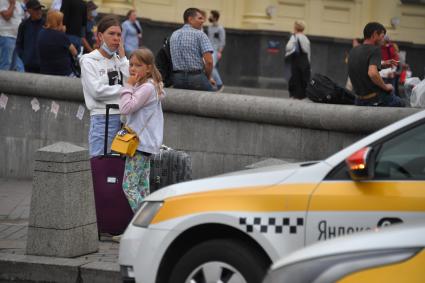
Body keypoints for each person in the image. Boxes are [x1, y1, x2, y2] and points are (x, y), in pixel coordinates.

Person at [119, 47, 165, 214]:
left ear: (148, 68)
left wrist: (128, 86)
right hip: (146, 144)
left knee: (129, 186)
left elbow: (126, 107)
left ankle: (146, 220)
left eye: (138, 65)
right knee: (142, 187)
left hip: (140, 144)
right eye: (131, 64)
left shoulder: (146, 88)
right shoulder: (150, 85)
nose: (132, 68)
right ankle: (148, 226)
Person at [80, 15, 129, 157]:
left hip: (123, 120)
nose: (116, 38)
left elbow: (131, 84)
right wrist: (123, 90)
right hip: (102, 118)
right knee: (100, 165)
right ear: (100, 36)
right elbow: (96, 91)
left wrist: (124, 59)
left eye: (119, 34)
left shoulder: (120, 61)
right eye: (111, 34)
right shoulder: (89, 61)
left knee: (119, 168)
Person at [348, 22, 404, 107]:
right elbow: (372, 73)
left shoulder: (353, 51)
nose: (383, 40)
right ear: (374, 34)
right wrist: (385, 86)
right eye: (382, 36)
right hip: (375, 99)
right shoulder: (375, 50)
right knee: (402, 104)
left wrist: (382, 65)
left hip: (359, 99)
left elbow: (362, 67)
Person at [170, 7, 215, 91]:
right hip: (196, 78)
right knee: (213, 101)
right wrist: (208, 78)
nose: (203, 21)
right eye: (200, 18)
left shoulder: (174, 35)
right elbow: (209, 62)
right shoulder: (200, 35)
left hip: (177, 78)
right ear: (190, 19)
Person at [37, 10, 78, 76]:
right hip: (63, 73)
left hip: (45, 72)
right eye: (61, 21)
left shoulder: (41, 33)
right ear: (58, 22)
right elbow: (74, 52)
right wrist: (63, 33)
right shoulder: (60, 36)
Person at [15, 0, 44, 73]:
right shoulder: (24, 25)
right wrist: (24, 57)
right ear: (29, 11)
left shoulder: (46, 24)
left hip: (43, 64)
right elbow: (19, 43)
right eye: (36, 9)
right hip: (28, 64)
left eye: (40, 9)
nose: (39, 11)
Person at [285, 20, 311, 99]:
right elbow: (308, 52)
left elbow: (288, 47)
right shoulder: (306, 38)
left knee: (295, 79)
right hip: (305, 61)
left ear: (295, 28)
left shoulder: (294, 37)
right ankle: (303, 96)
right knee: (304, 80)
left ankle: (294, 96)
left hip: (297, 60)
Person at [0, 0, 25, 70]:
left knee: (16, 66)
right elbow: (7, 16)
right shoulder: (2, 1)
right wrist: (12, 4)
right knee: (6, 64)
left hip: (17, 37)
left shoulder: (18, 3)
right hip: (6, 36)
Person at [207, 10, 225, 91]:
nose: (209, 17)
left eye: (211, 16)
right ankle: (212, 84)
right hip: (208, 49)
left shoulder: (220, 29)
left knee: (212, 66)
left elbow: (222, 41)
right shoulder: (209, 28)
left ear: (215, 17)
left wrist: (220, 52)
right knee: (210, 66)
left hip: (215, 51)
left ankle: (219, 84)